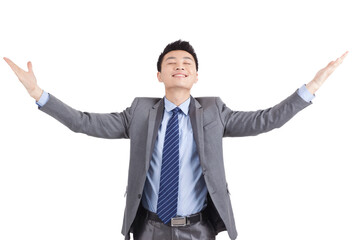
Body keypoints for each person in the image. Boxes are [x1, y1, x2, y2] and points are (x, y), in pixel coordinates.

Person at [3, 40, 348, 240]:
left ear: (196, 75)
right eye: (171, 62)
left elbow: (265, 120)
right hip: (149, 229)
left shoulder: (214, 112)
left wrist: (311, 88)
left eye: (187, 62)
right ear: (159, 75)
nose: (179, 65)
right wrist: (38, 94)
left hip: (199, 230)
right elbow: (85, 122)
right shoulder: (140, 112)